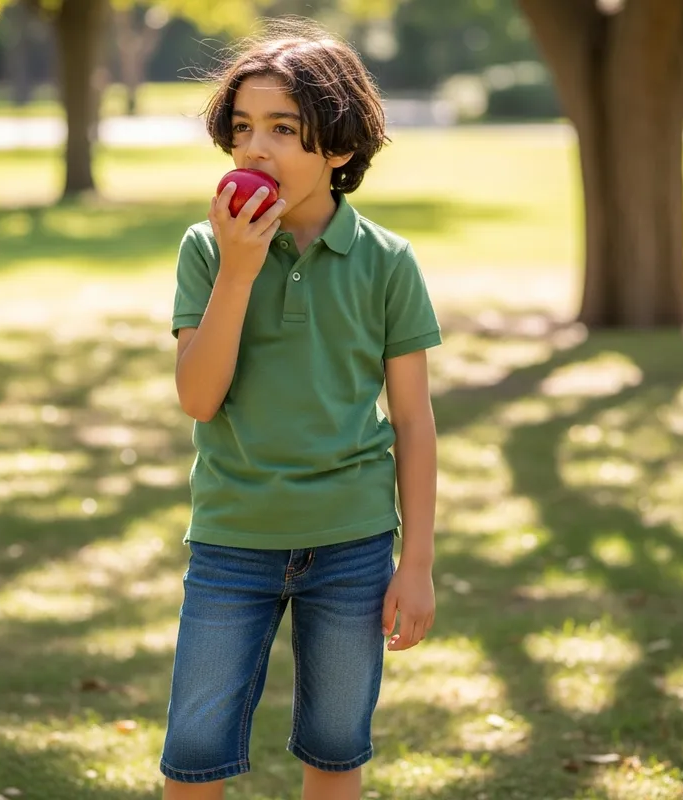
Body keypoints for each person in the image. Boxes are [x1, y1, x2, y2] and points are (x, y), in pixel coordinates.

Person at [160, 18, 441, 800]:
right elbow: (198, 396)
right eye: (243, 128)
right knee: (195, 747)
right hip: (231, 538)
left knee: (335, 745)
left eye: (284, 129)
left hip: (351, 543)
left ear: (340, 148)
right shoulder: (206, 250)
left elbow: (414, 422)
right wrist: (239, 273)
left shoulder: (386, 262)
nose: (256, 148)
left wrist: (414, 565)